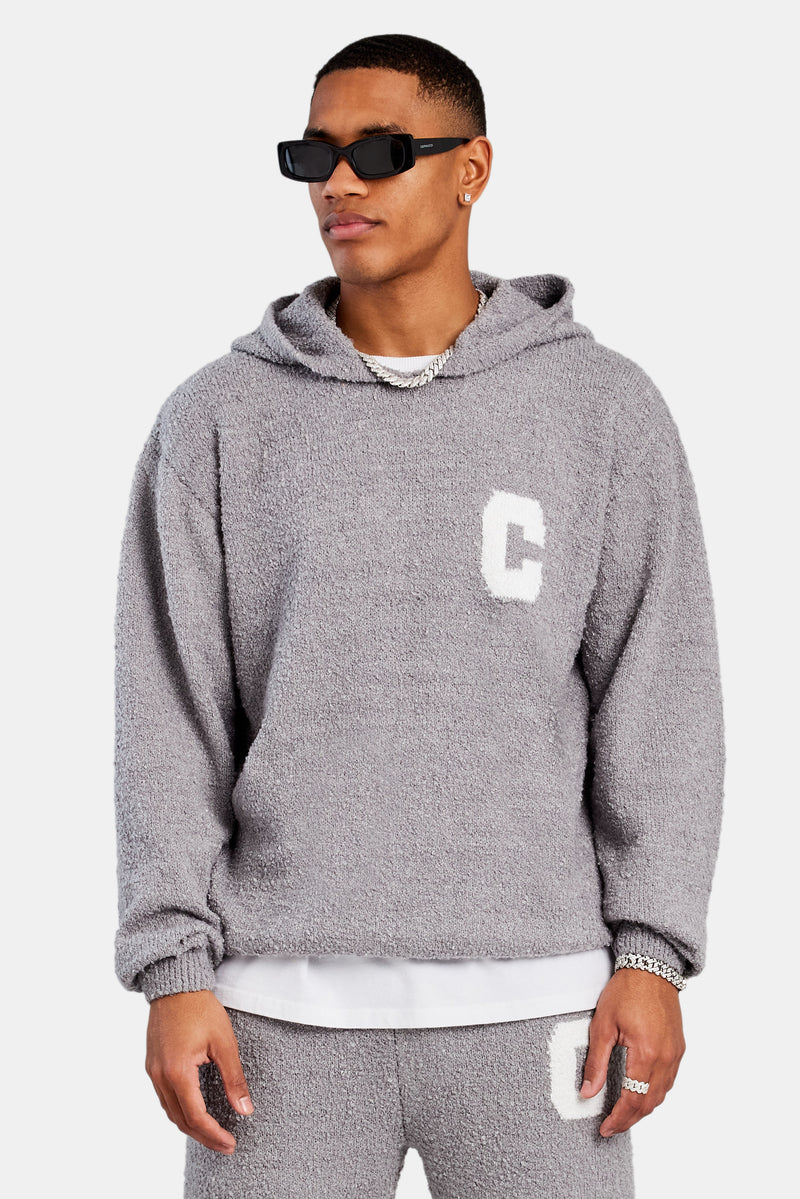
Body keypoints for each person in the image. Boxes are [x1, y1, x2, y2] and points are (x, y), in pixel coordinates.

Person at [112, 32, 725, 1199]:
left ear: (470, 168)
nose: (339, 183)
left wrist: (651, 952)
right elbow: (168, 711)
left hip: (543, 1009)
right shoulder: (217, 420)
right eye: (314, 156)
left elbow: (661, 697)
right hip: (271, 1020)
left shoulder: (601, 409)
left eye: (382, 151)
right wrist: (173, 967)